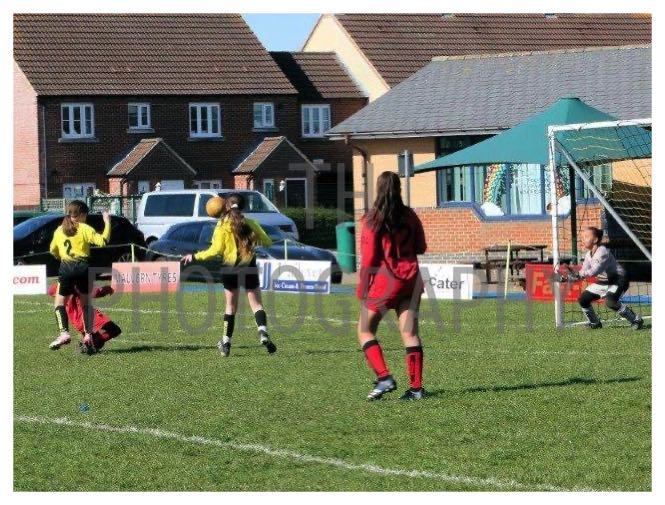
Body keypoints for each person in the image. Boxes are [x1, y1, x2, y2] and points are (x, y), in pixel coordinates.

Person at [356, 171, 427, 401]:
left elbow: (369, 260)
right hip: (411, 279)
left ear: (377, 189)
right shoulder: (410, 215)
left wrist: (362, 288)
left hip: (387, 282)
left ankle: (384, 377)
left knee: (365, 329)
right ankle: (416, 389)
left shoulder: (372, 219)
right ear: (399, 189)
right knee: (410, 333)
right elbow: (421, 247)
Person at [182, 194, 276, 357]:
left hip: (229, 269)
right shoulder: (251, 223)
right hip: (249, 267)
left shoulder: (222, 225)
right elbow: (268, 241)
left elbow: (215, 250)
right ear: (243, 207)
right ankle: (262, 332)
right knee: (257, 305)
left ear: (227, 206)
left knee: (230, 307)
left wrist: (195, 256)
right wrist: (253, 239)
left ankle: (226, 343)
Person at [49, 201, 111, 353]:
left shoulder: (59, 230)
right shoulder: (84, 228)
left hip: (66, 267)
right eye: (86, 215)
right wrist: (107, 222)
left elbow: (52, 250)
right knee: (86, 305)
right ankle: (88, 335)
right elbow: (103, 241)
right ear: (82, 215)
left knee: (59, 303)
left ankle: (64, 333)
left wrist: (61, 257)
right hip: (83, 267)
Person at [561, 227, 643, 330]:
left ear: (595, 240)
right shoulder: (588, 255)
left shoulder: (602, 251)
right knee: (583, 299)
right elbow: (583, 272)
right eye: (582, 237)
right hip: (604, 282)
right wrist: (568, 278)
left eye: (586, 236)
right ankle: (595, 323)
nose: (583, 239)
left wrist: (578, 274)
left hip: (619, 280)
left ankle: (636, 320)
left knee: (610, 302)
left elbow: (595, 271)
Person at [47, 283, 121, 352]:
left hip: (76, 321)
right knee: (114, 330)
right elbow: (94, 292)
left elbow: (50, 291)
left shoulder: (59, 286)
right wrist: (105, 289)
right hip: (87, 315)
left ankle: (89, 345)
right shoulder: (75, 284)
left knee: (96, 339)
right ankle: (88, 345)